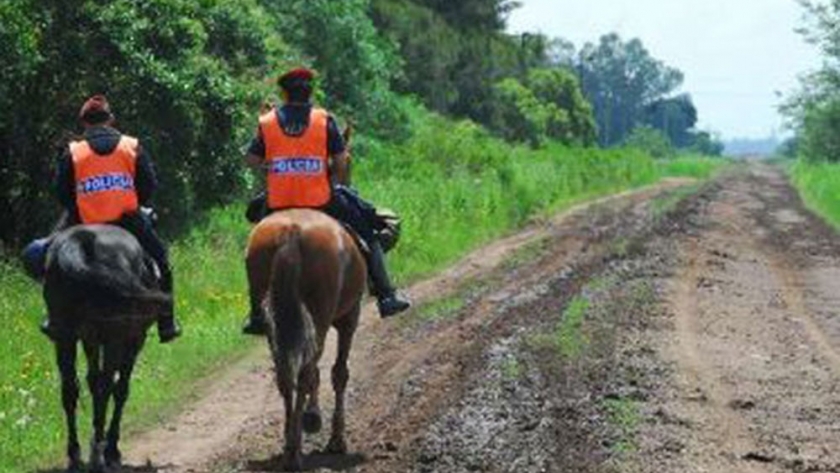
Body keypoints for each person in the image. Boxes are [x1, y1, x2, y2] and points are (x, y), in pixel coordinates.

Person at [241, 68, 410, 335]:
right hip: (320, 198)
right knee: (367, 232)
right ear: (309, 93)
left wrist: (273, 166)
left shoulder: (268, 121)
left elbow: (250, 160)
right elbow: (341, 160)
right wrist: (337, 182)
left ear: (284, 93)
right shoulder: (323, 119)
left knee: (255, 244)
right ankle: (386, 295)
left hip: (278, 200)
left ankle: (255, 313)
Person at [34, 95, 181, 343]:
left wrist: (80, 207)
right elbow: (149, 185)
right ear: (111, 119)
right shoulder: (131, 146)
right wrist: (134, 202)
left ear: (83, 123)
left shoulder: (74, 151)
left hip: (82, 222)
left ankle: (54, 318)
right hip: (128, 221)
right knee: (161, 261)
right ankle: (166, 322)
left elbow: (61, 192)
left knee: (48, 259)